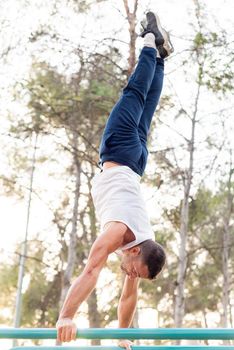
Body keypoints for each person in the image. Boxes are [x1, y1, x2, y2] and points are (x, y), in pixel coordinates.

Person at [56, 11, 173, 347]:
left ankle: (161, 58)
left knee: (146, 110)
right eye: (136, 270)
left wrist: (124, 335)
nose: (131, 275)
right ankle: (151, 40)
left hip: (136, 163)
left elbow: (128, 299)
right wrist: (67, 315)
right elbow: (91, 270)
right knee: (134, 95)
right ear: (137, 251)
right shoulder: (119, 232)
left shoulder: (142, 243)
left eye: (137, 275)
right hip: (120, 152)